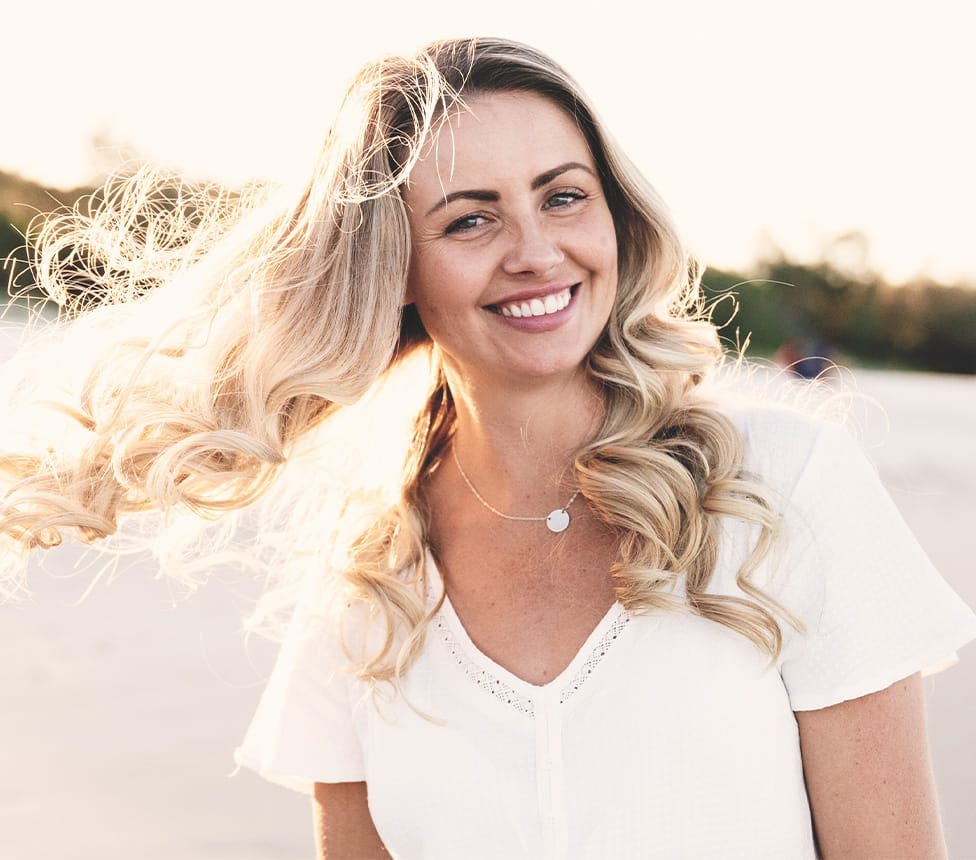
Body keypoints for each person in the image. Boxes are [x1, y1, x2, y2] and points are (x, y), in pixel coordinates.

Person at [2, 37, 975, 859]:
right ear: (392, 266)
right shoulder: (367, 574)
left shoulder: (782, 482)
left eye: (562, 196)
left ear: (615, 215)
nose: (534, 249)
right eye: (470, 218)